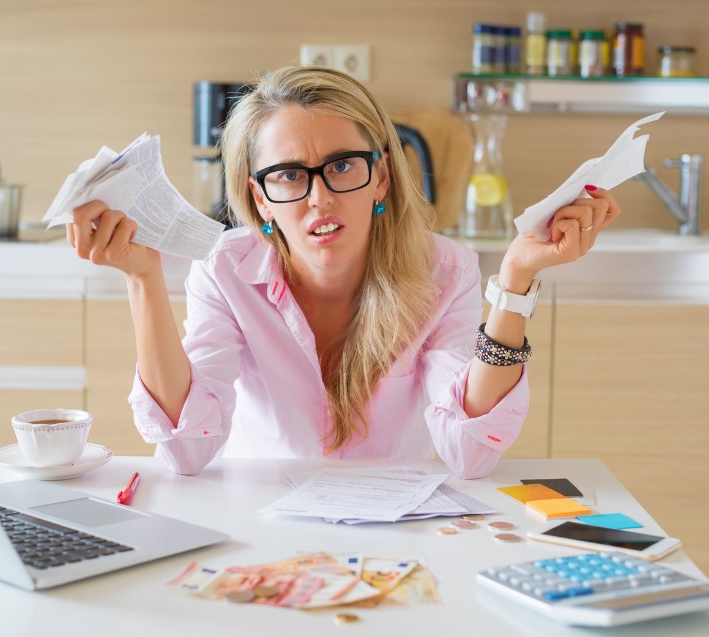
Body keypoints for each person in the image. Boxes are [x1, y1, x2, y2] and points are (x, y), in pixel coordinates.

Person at [67, 65, 620, 479]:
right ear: (260, 199)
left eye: (341, 167)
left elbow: (472, 453)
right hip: (259, 522)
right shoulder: (225, 271)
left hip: (396, 527)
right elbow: (185, 451)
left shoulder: (445, 272)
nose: (320, 200)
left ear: (380, 178)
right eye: (288, 175)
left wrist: (517, 280)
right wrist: (143, 279)